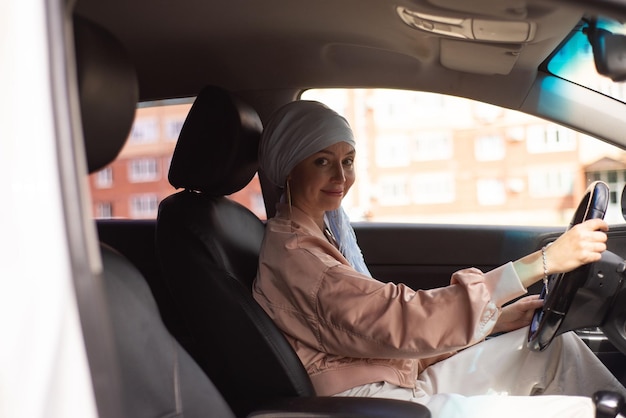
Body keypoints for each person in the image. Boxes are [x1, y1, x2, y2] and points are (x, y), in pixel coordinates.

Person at [252, 100, 626, 418]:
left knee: (556, 349)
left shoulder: (315, 234)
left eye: (347, 161)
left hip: (394, 377)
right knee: (587, 410)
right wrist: (541, 263)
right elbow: (399, 320)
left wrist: (492, 323)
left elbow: (382, 335)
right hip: (374, 401)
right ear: (289, 167)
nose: (340, 176)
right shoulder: (296, 254)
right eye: (321, 161)